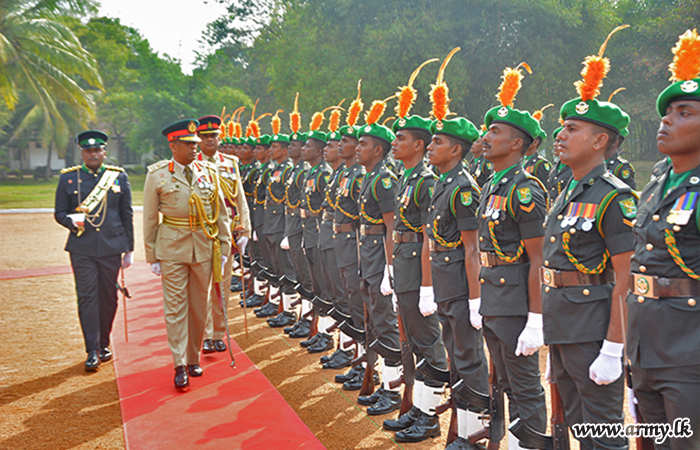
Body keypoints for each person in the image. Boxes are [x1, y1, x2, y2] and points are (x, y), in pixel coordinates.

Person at [542, 28, 634, 449]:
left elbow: (626, 279)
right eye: (561, 127)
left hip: (595, 329)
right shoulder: (569, 191)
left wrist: (615, 347)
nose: (560, 135)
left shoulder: (614, 197)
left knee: (602, 431)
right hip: (563, 324)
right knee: (573, 424)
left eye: (572, 128)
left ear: (600, 141)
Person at [626, 28, 700, 450]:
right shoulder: (655, 182)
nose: (667, 120)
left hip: (690, 350)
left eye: (684, 112)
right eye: (667, 112)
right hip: (646, 343)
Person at [423, 47, 489, 450]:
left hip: (462, 285)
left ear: (457, 151)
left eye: (438, 142)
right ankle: (462, 429)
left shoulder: (463, 188)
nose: (431, 147)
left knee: (468, 357)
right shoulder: (442, 183)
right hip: (445, 283)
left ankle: (472, 433)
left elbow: (471, 248)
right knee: (454, 352)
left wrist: (476, 299)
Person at [480, 65, 548, 449]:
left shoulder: (525, 190)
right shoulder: (492, 185)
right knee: (503, 381)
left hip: (517, 301)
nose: (486, 137)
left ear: (517, 144)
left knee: (524, 385)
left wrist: (536, 320)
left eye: (496, 132)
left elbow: (538, 258)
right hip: (494, 297)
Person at [143, 119, 231, 389]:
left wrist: (225, 247)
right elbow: (149, 218)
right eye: (189, 144)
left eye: (196, 144)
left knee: (198, 307)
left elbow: (221, 213)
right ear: (173, 145)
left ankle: (194, 358)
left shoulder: (208, 171)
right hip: (171, 248)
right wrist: (152, 256)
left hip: (204, 246)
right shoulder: (157, 174)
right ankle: (179, 363)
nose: (195, 148)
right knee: (176, 308)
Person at [384, 109, 449, 441]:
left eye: (402, 138)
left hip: (418, 270)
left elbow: (429, 237)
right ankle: (417, 409)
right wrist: (392, 272)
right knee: (412, 342)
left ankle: (430, 416)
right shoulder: (406, 178)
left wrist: (427, 286)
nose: (395, 143)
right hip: (404, 268)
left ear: (419, 145)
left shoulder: (426, 182)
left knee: (428, 343)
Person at [54, 130, 134, 371]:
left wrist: (129, 249)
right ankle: (92, 350)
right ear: (82, 153)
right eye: (88, 151)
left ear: (104, 152)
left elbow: (126, 214)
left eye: (97, 150)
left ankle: (104, 342)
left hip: (112, 246)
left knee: (108, 298)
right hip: (82, 248)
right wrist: (72, 221)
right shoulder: (69, 178)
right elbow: (59, 213)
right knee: (88, 297)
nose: (93, 154)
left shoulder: (117, 177)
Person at [354, 102, 403, 415]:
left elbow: (391, 227)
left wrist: (389, 268)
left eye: (364, 144)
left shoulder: (384, 180)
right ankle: (384, 382)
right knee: (374, 321)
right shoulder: (369, 177)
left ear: (379, 150)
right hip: (368, 255)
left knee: (385, 323)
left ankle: (393, 390)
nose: (359, 148)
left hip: (378, 257)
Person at [195, 115, 250, 354]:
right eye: (205, 137)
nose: (210, 140)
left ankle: (216, 333)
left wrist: (245, 228)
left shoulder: (230, 163)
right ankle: (202, 333)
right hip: (198, 229)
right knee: (200, 284)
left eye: (213, 136)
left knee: (222, 283)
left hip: (225, 230)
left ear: (220, 138)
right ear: (198, 139)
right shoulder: (191, 162)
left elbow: (240, 197)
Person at [546, 127, 573, 201]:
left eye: (559, 141)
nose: (555, 145)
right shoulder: (554, 168)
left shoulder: (574, 168)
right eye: (555, 141)